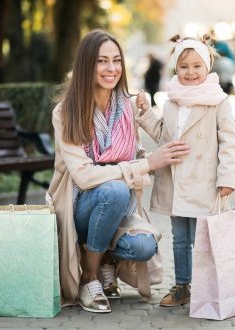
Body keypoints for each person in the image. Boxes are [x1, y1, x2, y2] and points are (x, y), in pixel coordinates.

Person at [46, 29, 190, 313]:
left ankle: (106, 262)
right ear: (87, 64)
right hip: (79, 207)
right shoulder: (65, 112)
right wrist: (146, 165)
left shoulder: (127, 106)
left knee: (143, 247)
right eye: (101, 61)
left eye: (116, 60)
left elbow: (137, 154)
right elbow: (85, 177)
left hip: (119, 207)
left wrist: (150, 141)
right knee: (113, 189)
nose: (111, 69)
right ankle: (90, 277)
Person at [136, 34, 235, 307]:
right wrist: (146, 113)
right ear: (175, 69)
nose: (190, 72)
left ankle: (208, 287)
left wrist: (227, 178)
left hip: (205, 182)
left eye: (197, 66)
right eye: (184, 67)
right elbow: (162, 135)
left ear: (207, 68)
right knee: (180, 238)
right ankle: (182, 286)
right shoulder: (172, 101)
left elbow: (229, 142)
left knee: (201, 238)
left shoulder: (218, 101)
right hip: (175, 182)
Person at [209, 29, 235, 95]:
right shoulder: (211, 44)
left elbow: (218, 54)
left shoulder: (222, 44)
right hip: (221, 67)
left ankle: (227, 89)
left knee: (225, 79)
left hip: (227, 64)